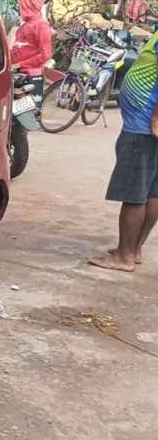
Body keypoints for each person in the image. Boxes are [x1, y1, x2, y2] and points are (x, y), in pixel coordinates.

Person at [88, 30, 158, 272]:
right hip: (145, 125)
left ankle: (124, 256)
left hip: (144, 127)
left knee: (135, 193)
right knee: (151, 191)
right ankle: (135, 249)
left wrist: (157, 118)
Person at [9, 0, 55, 100]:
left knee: (31, 112)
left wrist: (20, 65)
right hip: (18, 75)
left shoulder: (40, 25)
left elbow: (46, 54)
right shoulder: (25, 26)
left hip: (29, 76)